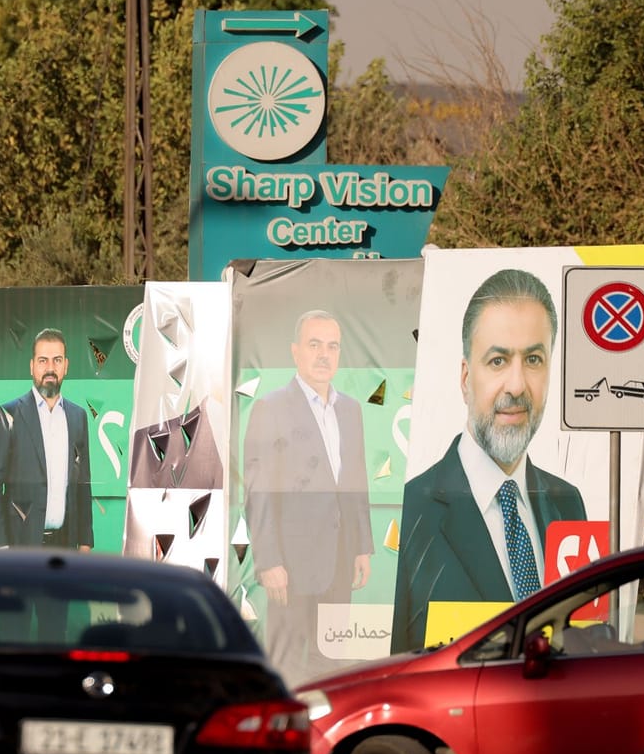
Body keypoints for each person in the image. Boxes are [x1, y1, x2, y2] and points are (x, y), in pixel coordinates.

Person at [394, 269, 588, 654]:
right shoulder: (410, 511)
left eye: (533, 359)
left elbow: (584, 636)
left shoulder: (569, 503)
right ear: (466, 378)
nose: (516, 385)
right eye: (498, 361)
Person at [244, 309, 374, 684]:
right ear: (295, 352)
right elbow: (259, 491)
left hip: (339, 562)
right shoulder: (271, 408)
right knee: (285, 670)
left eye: (332, 346)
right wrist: (268, 561)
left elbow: (355, 479)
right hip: (290, 568)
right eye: (314, 344)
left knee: (333, 668)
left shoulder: (351, 410)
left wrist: (361, 545)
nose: (324, 354)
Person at [0, 328, 93, 549]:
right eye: (43, 360)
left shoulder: (78, 417)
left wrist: (85, 541)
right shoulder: (8, 415)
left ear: (66, 366)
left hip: (66, 546)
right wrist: (0, 547)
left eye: (57, 360)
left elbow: (82, 483)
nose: (50, 368)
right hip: (20, 546)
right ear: (32, 366)